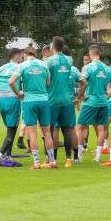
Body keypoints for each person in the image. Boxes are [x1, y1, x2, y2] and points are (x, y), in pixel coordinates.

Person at [10, 47, 55, 169]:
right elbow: (48, 83)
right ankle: (52, 161)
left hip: (29, 101)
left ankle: (36, 163)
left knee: (32, 134)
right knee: (47, 133)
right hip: (44, 100)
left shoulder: (22, 66)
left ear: (25, 54)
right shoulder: (44, 65)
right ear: (35, 54)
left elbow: (11, 81)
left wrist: (18, 93)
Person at [76, 45, 111, 163]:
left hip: (91, 102)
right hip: (103, 102)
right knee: (102, 128)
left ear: (91, 54)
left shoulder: (88, 67)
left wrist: (80, 96)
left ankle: (79, 155)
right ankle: (98, 156)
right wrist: (110, 93)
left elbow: (82, 82)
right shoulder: (107, 68)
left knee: (80, 127)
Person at [45, 36, 78, 167]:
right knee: (68, 130)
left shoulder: (49, 61)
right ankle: (69, 159)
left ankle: (52, 159)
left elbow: (46, 77)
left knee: (50, 129)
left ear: (53, 46)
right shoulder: (69, 59)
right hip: (67, 99)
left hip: (53, 98)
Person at [0, 47, 24, 164]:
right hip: (13, 99)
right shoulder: (20, 67)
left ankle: (8, 156)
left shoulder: (0, 69)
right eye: (21, 55)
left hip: (2, 99)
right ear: (16, 56)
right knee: (12, 130)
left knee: (9, 129)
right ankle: (0, 154)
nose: (22, 58)